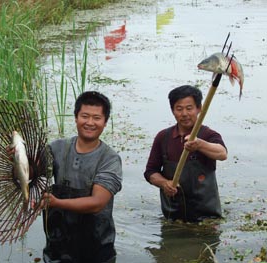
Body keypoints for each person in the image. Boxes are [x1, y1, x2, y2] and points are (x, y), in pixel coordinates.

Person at [42, 91, 123, 263]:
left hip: (96, 246)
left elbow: (97, 203)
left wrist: (57, 203)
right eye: (85, 116)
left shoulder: (110, 159)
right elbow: (32, 172)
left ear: (105, 122)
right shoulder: (56, 148)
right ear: (76, 117)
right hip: (58, 244)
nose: (90, 123)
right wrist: (17, 158)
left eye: (97, 118)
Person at [143, 85, 227, 222]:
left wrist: (200, 144)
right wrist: (164, 183)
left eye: (189, 108)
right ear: (172, 110)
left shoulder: (208, 134)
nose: (184, 114)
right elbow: (150, 172)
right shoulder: (163, 137)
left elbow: (222, 153)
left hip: (207, 218)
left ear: (199, 109)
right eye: (179, 109)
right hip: (172, 218)